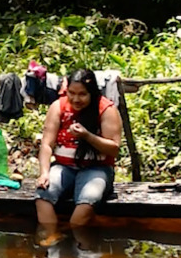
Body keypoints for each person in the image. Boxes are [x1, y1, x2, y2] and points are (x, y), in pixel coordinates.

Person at [35, 68, 123, 233]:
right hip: (64, 167)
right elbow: (47, 144)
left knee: (87, 201)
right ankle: (51, 236)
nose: (76, 99)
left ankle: (73, 240)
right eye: (72, 93)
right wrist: (44, 173)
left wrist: (87, 136)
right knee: (42, 196)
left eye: (82, 94)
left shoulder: (106, 109)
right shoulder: (58, 106)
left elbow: (114, 150)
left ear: (92, 93)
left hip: (97, 168)